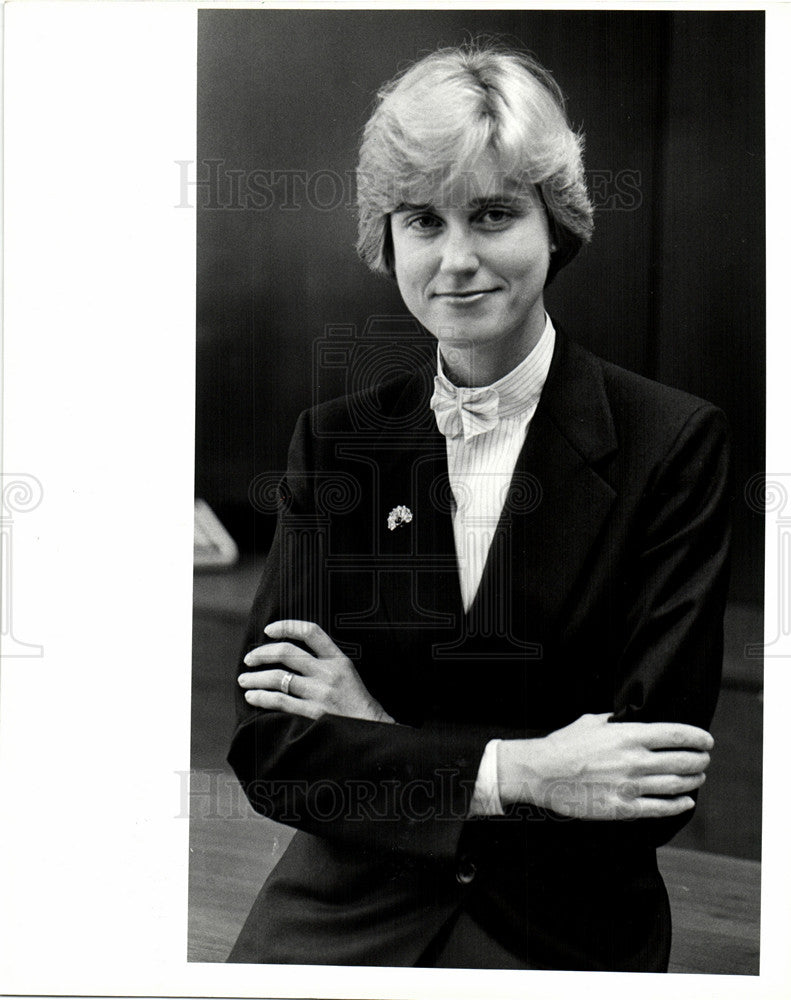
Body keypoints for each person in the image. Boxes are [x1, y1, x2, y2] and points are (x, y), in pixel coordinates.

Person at [226, 43, 730, 971]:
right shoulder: (337, 442)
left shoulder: (674, 442)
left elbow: (646, 790)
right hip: (345, 900)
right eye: (422, 220)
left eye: (492, 214)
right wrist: (524, 769)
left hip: (558, 915)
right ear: (389, 242)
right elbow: (276, 751)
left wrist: (376, 733)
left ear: (557, 227)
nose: (455, 260)